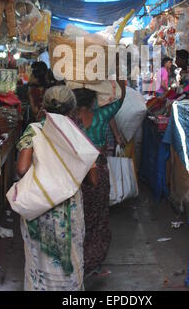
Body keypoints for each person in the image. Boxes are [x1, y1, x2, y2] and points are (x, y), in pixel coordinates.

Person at [16, 85, 85, 291]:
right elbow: (91, 176)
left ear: (44, 106)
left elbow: (21, 168)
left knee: (40, 258)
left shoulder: (35, 130)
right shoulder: (77, 134)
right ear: (71, 109)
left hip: (41, 203)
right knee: (70, 256)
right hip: (69, 205)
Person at [72, 79, 126, 278]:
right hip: (98, 173)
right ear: (94, 100)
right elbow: (121, 98)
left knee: (76, 218)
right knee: (98, 218)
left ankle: (75, 264)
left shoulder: (69, 120)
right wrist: (120, 74)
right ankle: (92, 264)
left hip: (74, 176)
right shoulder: (101, 116)